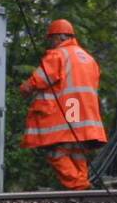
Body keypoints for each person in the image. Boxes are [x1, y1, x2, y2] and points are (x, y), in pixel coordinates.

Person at [17, 19, 107, 190]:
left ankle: (79, 187)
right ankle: (83, 187)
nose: (50, 44)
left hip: (69, 112)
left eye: (51, 39)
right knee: (76, 152)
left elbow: (40, 79)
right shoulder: (88, 58)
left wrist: (24, 89)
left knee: (56, 152)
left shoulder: (59, 55)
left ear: (58, 37)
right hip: (84, 114)